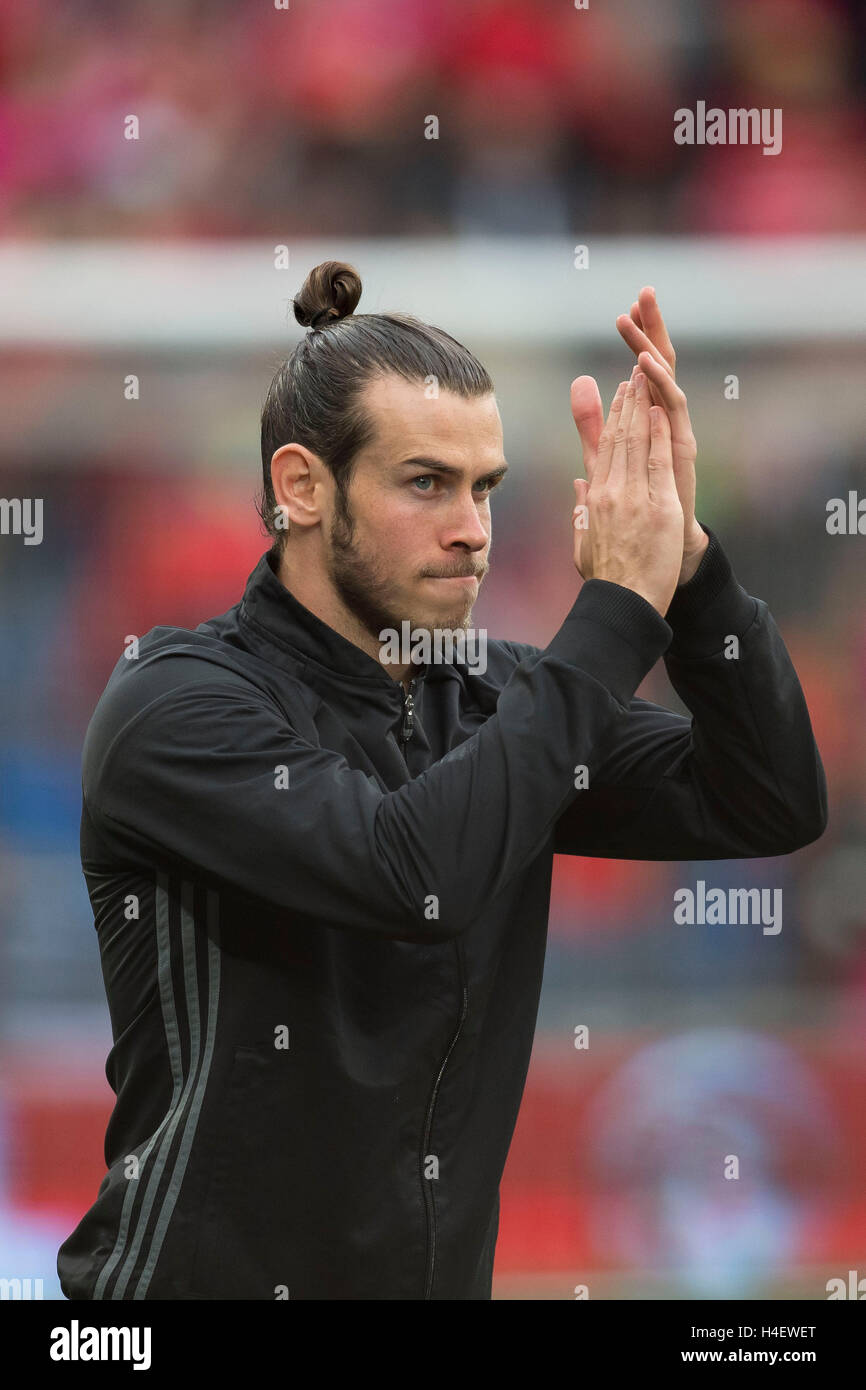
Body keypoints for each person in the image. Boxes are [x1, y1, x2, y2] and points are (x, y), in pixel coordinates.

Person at [57, 261, 827, 1300]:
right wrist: (612, 608)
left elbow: (768, 798)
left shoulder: (498, 697)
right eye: (425, 482)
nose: (471, 527)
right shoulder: (175, 703)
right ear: (302, 487)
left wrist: (688, 569)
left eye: (484, 488)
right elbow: (411, 876)